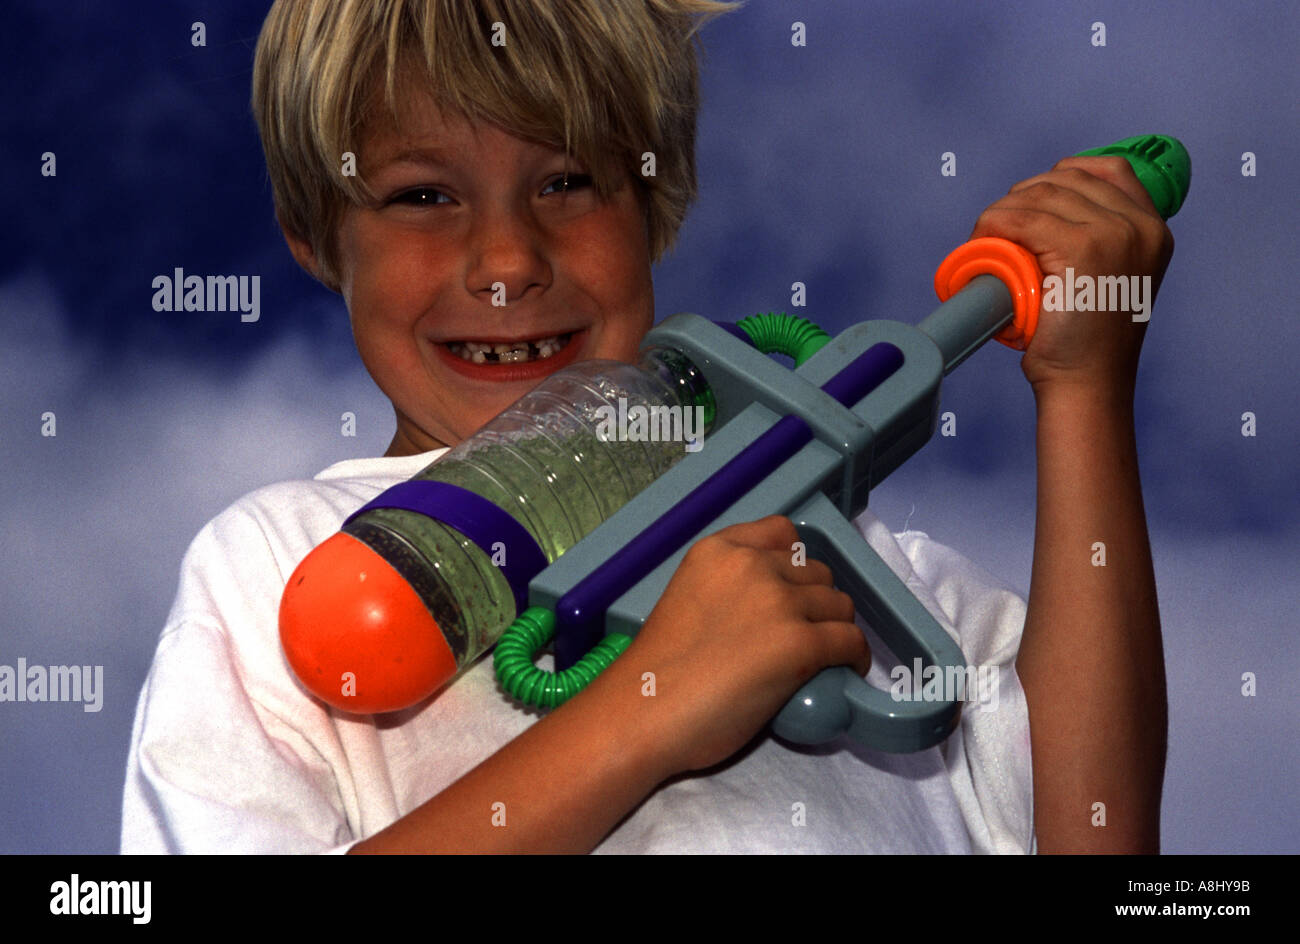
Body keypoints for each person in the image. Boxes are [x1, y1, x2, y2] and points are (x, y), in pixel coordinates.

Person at [122, 0, 1170, 854]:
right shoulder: (273, 561)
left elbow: (1095, 838)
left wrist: (1081, 384)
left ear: (655, 202)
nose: (506, 260)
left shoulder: (866, 574)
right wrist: (651, 706)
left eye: (567, 181)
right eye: (423, 194)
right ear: (314, 235)